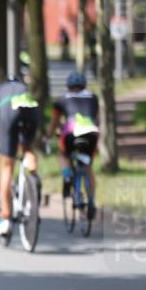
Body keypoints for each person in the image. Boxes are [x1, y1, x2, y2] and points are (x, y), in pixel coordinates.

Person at [0, 62, 41, 238]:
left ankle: (6, 218)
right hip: (30, 109)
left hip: (8, 112)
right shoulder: (24, 88)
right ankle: (32, 177)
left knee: (7, 166)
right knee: (27, 148)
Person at [46, 71, 99, 218]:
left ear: (68, 86)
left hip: (71, 132)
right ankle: (92, 199)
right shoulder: (93, 97)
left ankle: (67, 174)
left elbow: (54, 122)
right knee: (88, 166)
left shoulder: (61, 100)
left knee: (63, 153)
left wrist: (48, 137)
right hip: (91, 133)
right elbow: (97, 118)